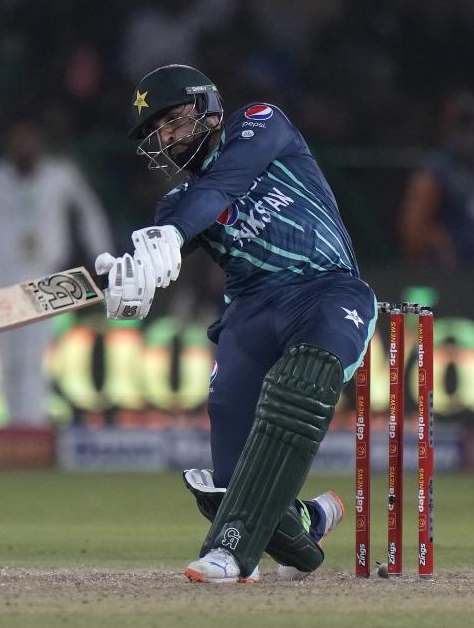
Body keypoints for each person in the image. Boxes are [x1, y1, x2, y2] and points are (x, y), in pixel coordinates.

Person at [94, 64, 375, 583]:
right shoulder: (176, 205)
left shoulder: (261, 123)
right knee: (228, 482)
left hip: (324, 289)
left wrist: (170, 234)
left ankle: (231, 552)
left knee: (301, 383)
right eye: (158, 133)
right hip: (249, 317)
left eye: (172, 121)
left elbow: (220, 188)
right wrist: (128, 280)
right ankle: (306, 527)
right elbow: (170, 244)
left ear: (206, 106)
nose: (168, 138)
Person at [0, 115, 114, 427]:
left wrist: (103, 258)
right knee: (6, 358)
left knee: (35, 356)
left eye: (29, 140)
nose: (24, 146)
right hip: (0, 274)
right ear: (9, 145)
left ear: (40, 143)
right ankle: (13, 429)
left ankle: (33, 428)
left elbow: (90, 213)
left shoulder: (60, 175)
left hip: (45, 274)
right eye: (18, 140)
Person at [398, 91, 474, 269]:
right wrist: (437, 242)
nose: (470, 134)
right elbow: (413, 229)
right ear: (449, 128)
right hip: (447, 275)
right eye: (463, 126)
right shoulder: (435, 169)